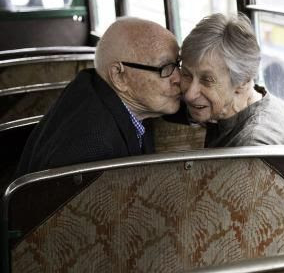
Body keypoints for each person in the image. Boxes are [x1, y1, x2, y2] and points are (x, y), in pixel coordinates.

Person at [16, 17, 181, 175]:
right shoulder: (93, 147)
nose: (178, 79)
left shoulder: (93, 85)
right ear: (118, 76)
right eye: (165, 68)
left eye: (177, 65)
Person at [180, 13, 284, 147]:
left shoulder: (253, 144)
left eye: (207, 80)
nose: (189, 95)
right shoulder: (259, 102)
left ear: (243, 81)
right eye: (186, 74)